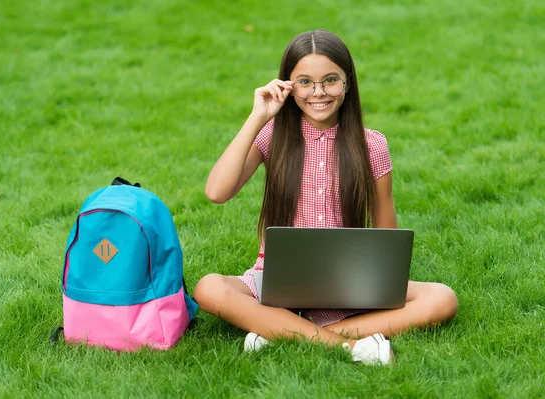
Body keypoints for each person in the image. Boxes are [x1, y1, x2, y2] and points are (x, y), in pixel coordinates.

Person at [193, 29, 458, 365]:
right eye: (304, 82)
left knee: (442, 298)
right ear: (287, 85)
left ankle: (280, 331)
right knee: (209, 289)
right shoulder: (273, 135)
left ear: (348, 83)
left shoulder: (372, 144)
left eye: (330, 80)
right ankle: (347, 342)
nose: (318, 93)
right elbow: (217, 192)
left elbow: (386, 234)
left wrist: (375, 283)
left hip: (349, 281)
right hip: (278, 279)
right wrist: (258, 115)